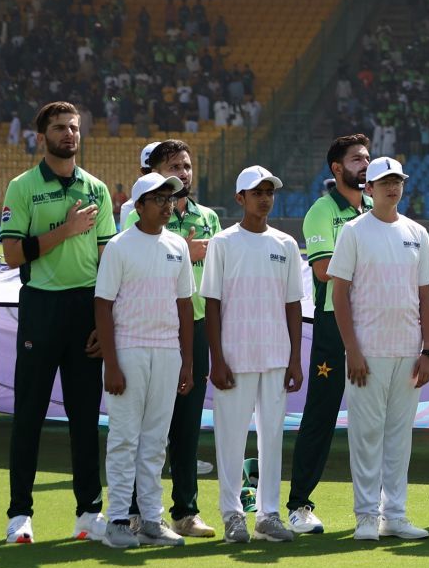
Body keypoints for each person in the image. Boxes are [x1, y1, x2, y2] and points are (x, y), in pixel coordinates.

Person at [1, 100, 118, 546]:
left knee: (86, 417)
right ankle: (19, 516)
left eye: (74, 127)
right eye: (59, 127)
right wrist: (64, 232)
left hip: (85, 310)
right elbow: (13, 255)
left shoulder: (98, 189)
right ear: (41, 136)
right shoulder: (22, 186)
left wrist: (103, 321)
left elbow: (109, 259)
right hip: (41, 309)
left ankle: (89, 513)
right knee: (28, 415)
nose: (69, 134)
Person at [329, 156, 429, 542]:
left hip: (408, 353)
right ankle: (365, 517)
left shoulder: (417, 233)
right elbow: (339, 293)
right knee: (366, 434)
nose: (393, 187)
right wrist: (352, 350)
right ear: (368, 189)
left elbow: (426, 295)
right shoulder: (354, 232)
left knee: (398, 437)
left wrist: (428, 350)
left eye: (398, 181)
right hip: (368, 352)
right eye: (384, 182)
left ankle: (395, 515)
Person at [202, 165, 302, 543]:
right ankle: (232, 514)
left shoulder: (285, 244)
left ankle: (269, 514)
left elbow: (293, 304)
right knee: (230, 437)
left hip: (276, 356)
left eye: (269, 192)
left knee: (272, 437)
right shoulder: (223, 243)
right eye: (257, 192)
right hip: (235, 356)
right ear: (240, 198)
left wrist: (294, 359)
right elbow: (212, 303)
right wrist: (217, 358)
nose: (265, 198)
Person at [94, 172, 194, 550]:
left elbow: (185, 304)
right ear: (139, 206)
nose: (168, 205)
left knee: (155, 442)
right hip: (130, 349)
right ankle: (119, 519)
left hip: (167, 351)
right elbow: (102, 305)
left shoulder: (178, 246)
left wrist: (186, 362)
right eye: (159, 199)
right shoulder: (120, 247)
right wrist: (112, 363)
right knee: (124, 438)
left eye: (171, 199)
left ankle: (151, 520)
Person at [287, 133, 369, 535]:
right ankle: (299, 504)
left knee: (377, 419)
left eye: (368, 158)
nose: (365, 164)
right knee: (321, 415)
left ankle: (379, 507)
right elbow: (323, 271)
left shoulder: (377, 207)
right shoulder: (322, 211)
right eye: (356, 159)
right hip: (334, 325)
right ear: (337, 169)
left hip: (377, 325)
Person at [145, 139, 221, 537]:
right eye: (175, 166)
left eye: (188, 166)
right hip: (154, 327)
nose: (184, 173)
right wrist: (185, 253)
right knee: (152, 424)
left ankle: (186, 511)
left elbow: (221, 271)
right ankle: (142, 510)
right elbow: (136, 262)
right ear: (156, 171)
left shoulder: (208, 216)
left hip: (197, 325)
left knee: (189, 424)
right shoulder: (139, 212)